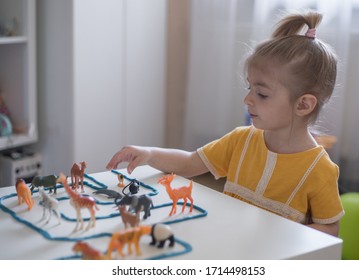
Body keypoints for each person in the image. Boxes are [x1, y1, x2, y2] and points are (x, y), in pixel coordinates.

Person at [106, 11, 344, 237]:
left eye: (261, 94)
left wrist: (285, 237)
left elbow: (330, 229)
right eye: (249, 87)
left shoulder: (319, 170)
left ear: (303, 105)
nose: (247, 99)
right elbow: (190, 163)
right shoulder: (241, 139)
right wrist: (149, 154)